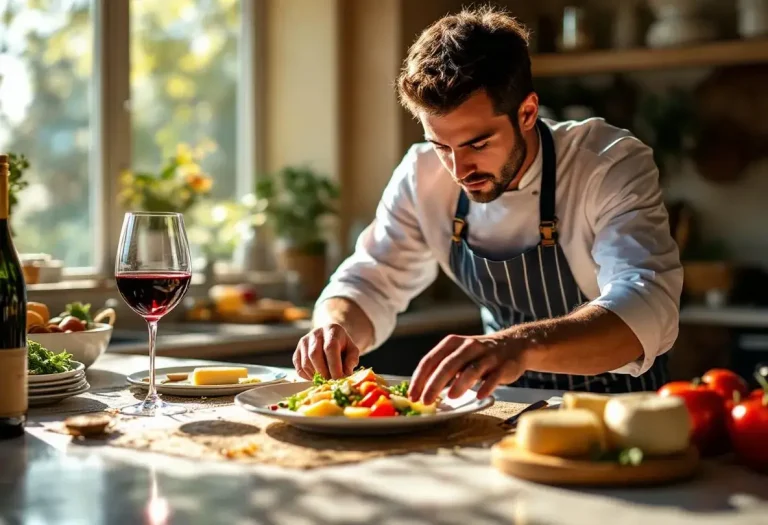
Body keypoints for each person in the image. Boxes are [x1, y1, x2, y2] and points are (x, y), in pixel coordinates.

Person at [292, 6, 682, 405]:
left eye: (478, 143)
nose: (459, 169)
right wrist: (333, 327)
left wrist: (517, 345)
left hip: (620, 414)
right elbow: (369, 280)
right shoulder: (421, 176)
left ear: (527, 112)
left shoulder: (607, 162)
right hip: (504, 410)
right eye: (441, 145)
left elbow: (646, 306)